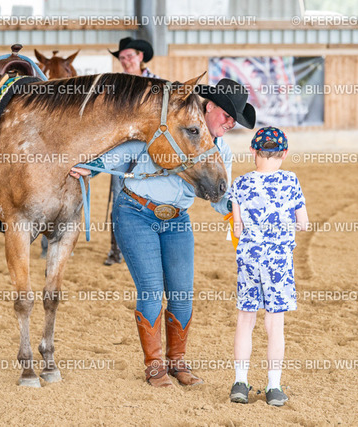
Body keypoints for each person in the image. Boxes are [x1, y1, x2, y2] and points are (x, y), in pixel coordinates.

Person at [70, 78, 256, 387]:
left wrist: (242, 218)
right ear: (210, 107)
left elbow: (220, 198)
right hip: (135, 213)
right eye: (227, 115)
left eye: (234, 120)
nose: (230, 123)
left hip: (177, 220)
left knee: (182, 294)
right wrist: (94, 166)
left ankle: (177, 363)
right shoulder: (168, 125)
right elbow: (128, 149)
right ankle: (154, 366)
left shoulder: (221, 151)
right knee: (152, 291)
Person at [225, 127, 309, 406]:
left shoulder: (240, 183)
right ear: (284, 153)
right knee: (275, 324)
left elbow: (237, 227)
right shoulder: (291, 180)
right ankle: (273, 386)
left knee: (245, 320)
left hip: (249, 259)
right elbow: (303, 223)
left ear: (253, 150)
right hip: (279, 262)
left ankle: (240, 383)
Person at [100, 38, 160, 266]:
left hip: (148, 149)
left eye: (129, 56)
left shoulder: (156, 83)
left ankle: (144, 247)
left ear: (140, 56)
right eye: (122, 58)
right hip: (122, 149)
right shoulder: (117, 85)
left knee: (150, 196)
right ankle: (116, 250)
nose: (126, 61)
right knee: (120, 198)